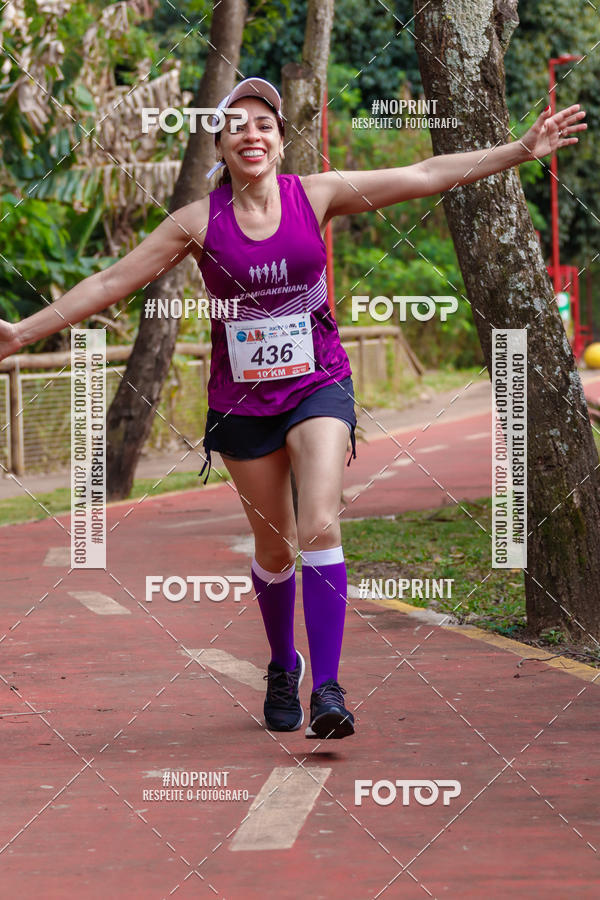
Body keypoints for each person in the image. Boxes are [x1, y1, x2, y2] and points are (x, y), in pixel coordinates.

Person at [0, 77, 586, 740]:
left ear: (281, 142)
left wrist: (519, 148)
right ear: (220, 145)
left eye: (265, 124)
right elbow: (112, 281)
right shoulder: (198, 222)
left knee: (319, 522)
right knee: (275, 548)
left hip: (319, 384)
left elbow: (423, 172)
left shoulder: (317, 194)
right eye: (237, 126)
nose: (252, 134)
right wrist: (22, 333)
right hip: (242, 403)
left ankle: (327, 690)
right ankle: (284, 664)